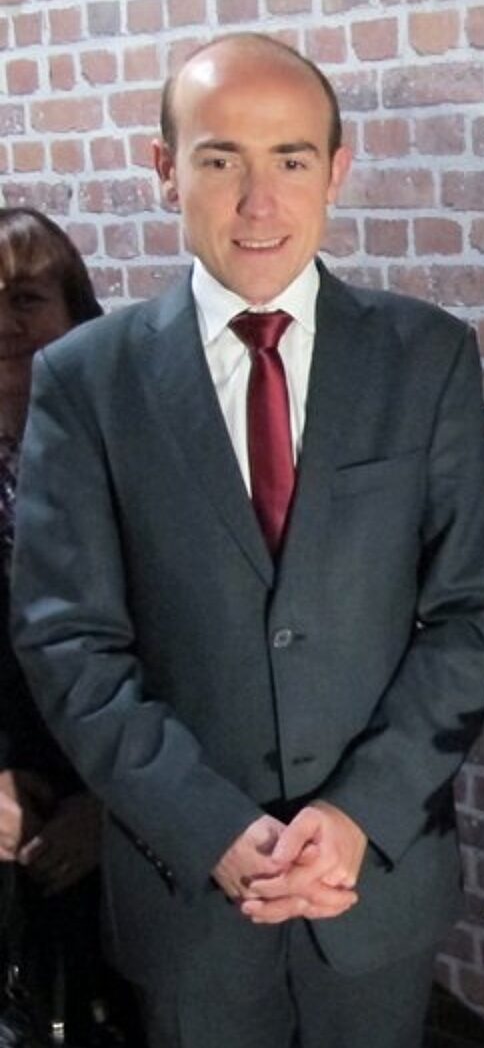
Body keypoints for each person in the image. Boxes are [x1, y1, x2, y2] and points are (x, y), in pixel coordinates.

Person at [9, 34, 484, 1048]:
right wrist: (209, 825)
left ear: (336, 170)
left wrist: (361, 811)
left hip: (371, 881)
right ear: (166, 170)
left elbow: (468, 614)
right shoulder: (87, 381)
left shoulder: (425, 357)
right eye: (220, 159)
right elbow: (70, 644)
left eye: (289, 158)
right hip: (188, 897)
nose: (258, 201)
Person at [0, 206, 145, 1046]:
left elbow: (181, 647)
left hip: (128, 806)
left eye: (26, 299)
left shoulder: (135, 461)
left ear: (75, 314)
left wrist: (117, 807)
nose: (4, 325)